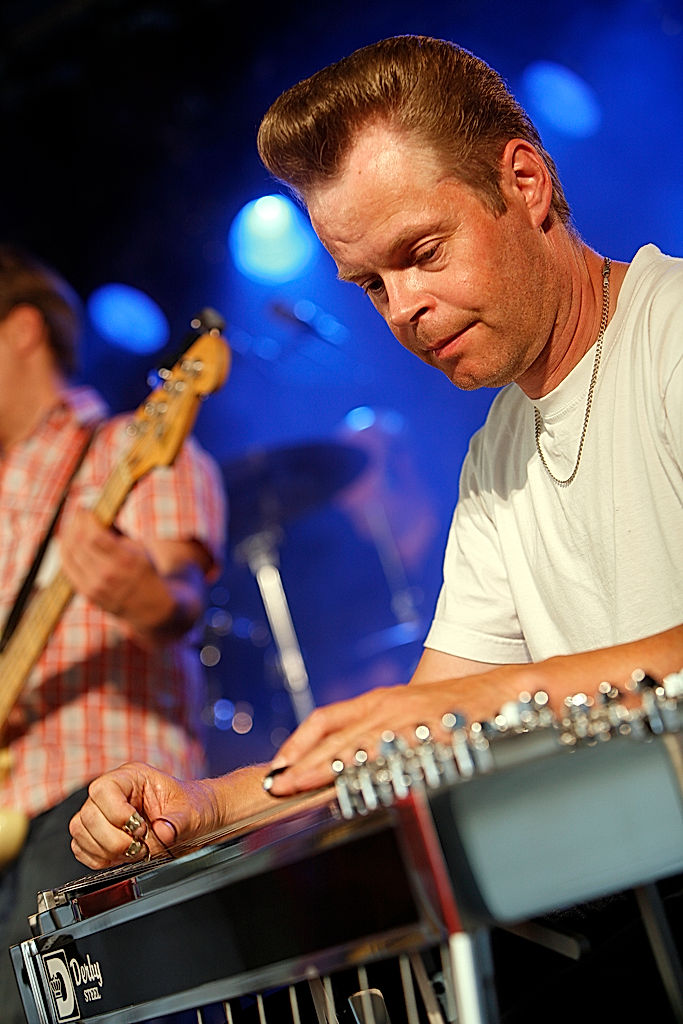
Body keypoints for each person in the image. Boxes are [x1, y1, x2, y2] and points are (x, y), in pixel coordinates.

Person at [69, 36, 683, 1021]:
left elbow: (465, 707)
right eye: (369, 283)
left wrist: (486, 702)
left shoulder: (672, 334)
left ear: (521, 180)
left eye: (420, 252)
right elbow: (424, 722)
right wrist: (210, 806)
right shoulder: (495, 458)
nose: (402, 308)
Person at [0, 244, 226, 1023]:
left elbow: (176, 599)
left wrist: (140, 590)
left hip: (95, 800)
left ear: (22, 330)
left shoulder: (130, 444)